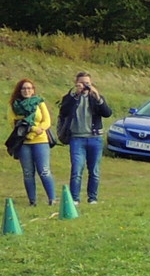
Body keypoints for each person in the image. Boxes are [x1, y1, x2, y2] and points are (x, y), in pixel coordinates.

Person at [57, 72, 113, 204]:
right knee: (76, 170)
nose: (85, 86)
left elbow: (107, 113)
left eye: (87, 83)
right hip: (77, 138)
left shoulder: (95, 98)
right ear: (76, 83)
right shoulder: (70, 98)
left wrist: (98, 97)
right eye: (81, 83)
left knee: (94, 171)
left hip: (95, 138)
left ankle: (92, 198)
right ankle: (74, 199)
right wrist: (75, 95)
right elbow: (63, 111)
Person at [10, 78, 56, 207]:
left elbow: (46, 121)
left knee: (44, 171)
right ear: (19, 90)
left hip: (41, 141)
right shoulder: (15, 105)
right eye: (24, 88)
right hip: (23, 142)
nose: (27, 91)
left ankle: (52, 199)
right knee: (28, 172)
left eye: (29, 88)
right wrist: (33, 129)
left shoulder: (39, 102)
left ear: (33, 90)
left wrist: (37, 130)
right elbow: (15, 123)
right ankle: (32, 201)